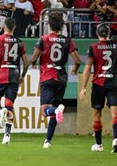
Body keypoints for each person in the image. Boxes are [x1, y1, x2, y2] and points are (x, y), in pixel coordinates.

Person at [31, 11, 81, 149]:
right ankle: (47, 141)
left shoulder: (44, 39)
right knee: (55, 108)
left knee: (46, 110)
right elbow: (77, 60)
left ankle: (54, 115)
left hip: (47, 76)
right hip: (61, 79)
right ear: (62, 26)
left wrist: (34, 63)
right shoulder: (68, 40)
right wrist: (75, 70)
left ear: (49, 25)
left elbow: (34, 58)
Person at [0, 17, 29, 145]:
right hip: (14, 76)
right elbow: (26, 63)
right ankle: (7, 135)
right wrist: (22, 77)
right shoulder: (20, 42)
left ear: (4, 26)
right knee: (9, 105)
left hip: (0, 75)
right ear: (14, 28)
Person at [80, 23, 117, 153]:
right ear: (109, 34)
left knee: (97, 112)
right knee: (115, 114)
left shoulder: (93, 47)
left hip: (98, 84)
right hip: (113, 83)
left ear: (97, 34)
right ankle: (116, 138)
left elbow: (87, 67)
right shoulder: (115, 46)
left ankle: (99, 144)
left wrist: (83, 87)